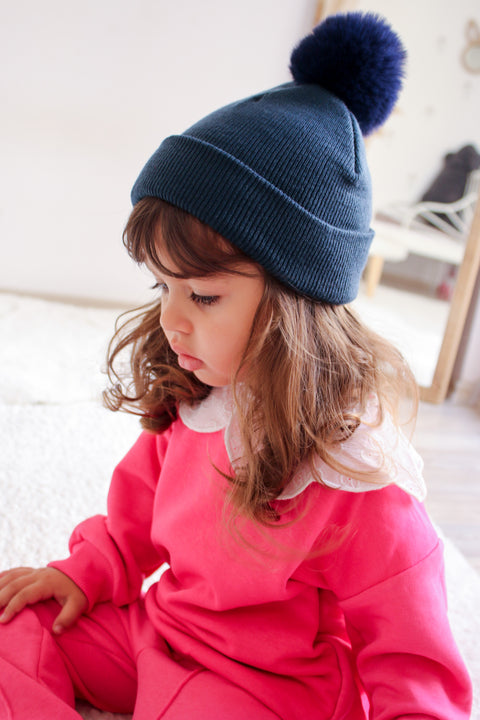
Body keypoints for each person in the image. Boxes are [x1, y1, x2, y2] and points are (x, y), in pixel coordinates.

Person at [0, 12, 472, 720]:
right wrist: (83, 575)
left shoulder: (357, 476)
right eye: (164, 287)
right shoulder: (198, 398)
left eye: (205, 294)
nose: (171, 319)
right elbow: (130, 526)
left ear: (295, 304)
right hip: (158, 636)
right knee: (13, 626)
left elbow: (413, 662)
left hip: (264, 692)